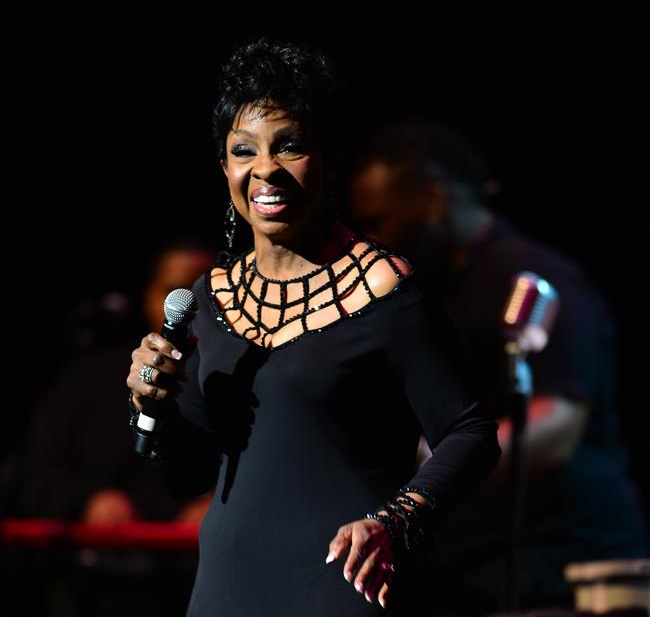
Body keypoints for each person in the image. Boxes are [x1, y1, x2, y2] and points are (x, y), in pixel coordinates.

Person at [125, 39, 501, 616]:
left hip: (338, 586)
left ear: (327, 160)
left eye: (290, 146)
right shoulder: (210, 298)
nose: (265, 169)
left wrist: (396, 521)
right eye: (244, 150)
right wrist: (151, 405)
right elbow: (188, 476)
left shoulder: (382, 288)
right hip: (225, 593)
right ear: (225, 167)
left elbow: (471, 432)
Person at [348, 121, 649, 612]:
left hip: (559, 569)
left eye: (379, 220)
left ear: (432, 199)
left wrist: (433, 465)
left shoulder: (530, 277)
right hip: (480, 570)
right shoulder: (436, 291)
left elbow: (557, 425)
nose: (369, 241)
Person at [20, 242, 216, 524]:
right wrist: (89, 500)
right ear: (149, 296)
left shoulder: (239, 378)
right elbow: (38, 474)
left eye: (203, 292)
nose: (191, 307)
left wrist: (220, 509)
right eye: (176, 291)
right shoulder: (91, 379)